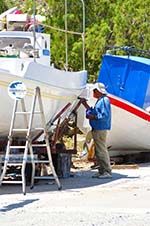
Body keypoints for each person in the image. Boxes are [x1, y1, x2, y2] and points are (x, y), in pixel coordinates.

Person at [86, 82, 112, 179]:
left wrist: (92, 116)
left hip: (100, 128)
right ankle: (102, 170)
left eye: (94, 91)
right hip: (98, 128)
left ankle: (106, 171)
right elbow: (96, 112)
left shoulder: (104, 100)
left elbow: (104, 115)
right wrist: (85, 105)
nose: (93, 92)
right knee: (98, 151)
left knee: (101, 150)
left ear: (97, 91)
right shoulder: (101, 100)